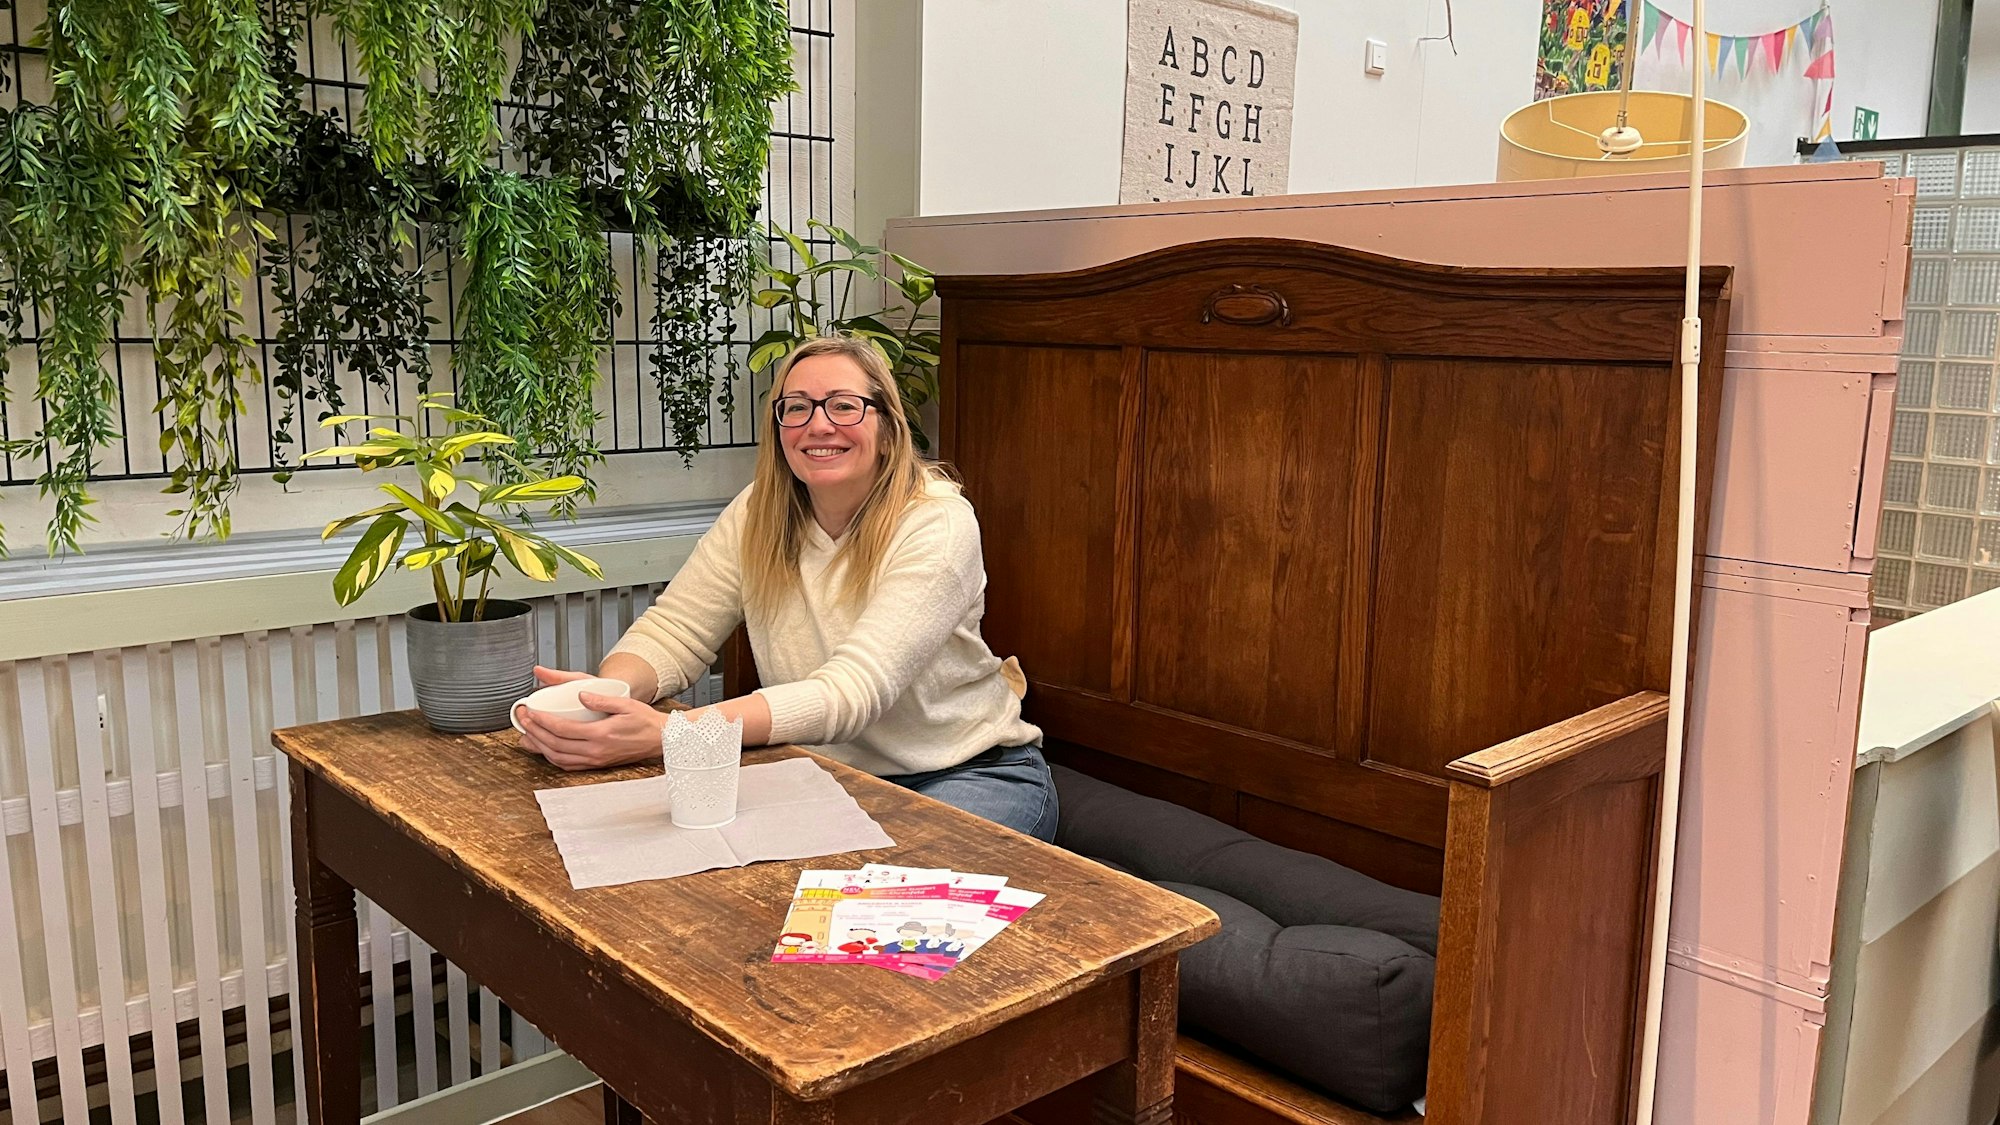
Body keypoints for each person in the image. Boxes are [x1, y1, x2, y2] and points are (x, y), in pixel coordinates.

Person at [514, 334, 1059, 842]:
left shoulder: (938, 521)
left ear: (889, 430)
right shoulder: (759, 510)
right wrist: (606, 701)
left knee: (881, 910)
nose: (818, 425)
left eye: (844, 405)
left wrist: (674, 732)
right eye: (796, 407)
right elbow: (675, 630)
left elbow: (852, 693)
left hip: (968, 774)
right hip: (820, 773)